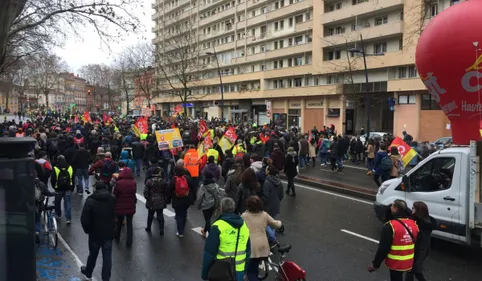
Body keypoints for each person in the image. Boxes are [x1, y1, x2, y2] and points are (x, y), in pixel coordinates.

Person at [368, 200, 419, 281]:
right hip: (409, 261)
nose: (390, 208)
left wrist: (375, 265)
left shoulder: (390, 226)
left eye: (392, 206)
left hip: (396, 262)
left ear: (395, 209)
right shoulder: (413, 224)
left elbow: (383, 249)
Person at [201, 197, 251, 281]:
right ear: (234, 208)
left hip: (221, 270)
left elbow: (209, 253)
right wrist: (244, 270)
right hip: (239, 270)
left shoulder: (218, 226)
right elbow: (248, 252)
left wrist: (205, 274)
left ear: (221, 209)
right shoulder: (244, 226)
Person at [80, 181, 117, 281]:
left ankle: (88, 271)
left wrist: (87, 230)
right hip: (108, 231)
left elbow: (85, 219)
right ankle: (106, 278)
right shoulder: (112, 198)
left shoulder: (90, 200)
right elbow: (115, 214)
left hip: (95, 232)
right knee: (107, 256)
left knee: (93, 254)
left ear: (96, 189)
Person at [242, 196, 282, 281]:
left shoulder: (244, 216)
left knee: (250, 271)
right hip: (263, 246)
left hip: (251, 246)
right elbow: (277, 225)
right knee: (255, 266)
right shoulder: (264, 215)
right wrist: (280, 223)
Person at [406, 202, 436, 281]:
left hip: (418, 250)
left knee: (415, 271)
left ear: (417, 211)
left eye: (413, 208)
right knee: (412, 271)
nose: (412, 210)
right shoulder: (428, 222)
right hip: (423, 249)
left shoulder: (417, 224)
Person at [169, 164, 196, 238]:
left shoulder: (173, 179)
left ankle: (180, 231)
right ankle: (182, 228)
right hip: (187, 199)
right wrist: (193, 198)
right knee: (183, 213)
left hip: (177, 200)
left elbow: (169, 190)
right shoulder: (188, 178)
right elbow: (194, 188)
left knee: (179, 215)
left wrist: (168, 199)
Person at [113, 168, 137, 247]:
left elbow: (115, 194)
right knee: (129, 224)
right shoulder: (133, 182)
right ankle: (129, 242)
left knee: (119, 222)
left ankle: (117, 237)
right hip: (131, 205)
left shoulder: (119, 183)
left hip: (120, 205)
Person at [144, 167, 168, 235]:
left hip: (151, 200)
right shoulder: (163, 181)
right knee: (160, 214)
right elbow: (166, 191)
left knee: (150, 215)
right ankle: (161, 229)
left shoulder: (149, 181)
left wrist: (147, 198)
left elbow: (146, 191)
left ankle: (148, 227)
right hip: (161, 200)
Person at [197, 170, 221, 238]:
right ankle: (204, 231)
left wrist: (198, 205)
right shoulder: (216, 185)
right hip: (212, 204)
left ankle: (211, 234)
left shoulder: (203, 186)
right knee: (208, 219)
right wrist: (217, 205)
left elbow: (200, 197)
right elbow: (218, 196)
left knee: (207, 220)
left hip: (205, 205)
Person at [50, 155, 74, 224]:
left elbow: (53, 179)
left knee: (57, 203)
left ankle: (58, 215)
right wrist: (72, 187)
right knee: (68, 203)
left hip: (58, 189)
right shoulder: (69, 167)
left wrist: (54, 187)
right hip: (68, 188)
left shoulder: (55, 168)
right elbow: (72, 177)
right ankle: (68, 218)